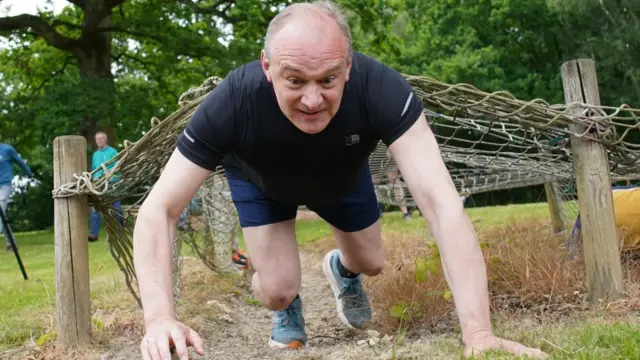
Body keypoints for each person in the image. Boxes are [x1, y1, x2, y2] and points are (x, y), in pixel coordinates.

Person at [132, 1, 547, 359]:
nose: (312, 100)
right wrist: (160, 318)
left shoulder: (381, 89)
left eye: (328, 80)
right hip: (263, 181)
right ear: (267, 66)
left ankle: (342, 271)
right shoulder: (233, 100)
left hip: (341, 176)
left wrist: (478, 334)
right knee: (278, 287)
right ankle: (286, 305)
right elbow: (159, 208)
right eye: (294, 80)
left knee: (372, 263)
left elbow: (442, 204)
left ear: (348, 66)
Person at [89, 130, 123, 242]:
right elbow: (94, 169)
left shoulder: (113, 152)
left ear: (105, 139)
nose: (99, 141)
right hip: (98, 184)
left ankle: (119, 232)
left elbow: (117, 168)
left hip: (112, 182)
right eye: (97, 139)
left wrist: (110, 177)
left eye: (101, 139)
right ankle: (94, 234)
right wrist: (94, 180)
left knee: (116, 208)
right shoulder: (95, 154)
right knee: (95, 210)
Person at [0, 143, 33, 251]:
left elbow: (20, 161)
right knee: (2, 216)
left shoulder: (7, 149)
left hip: (5, 185)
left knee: (0, 211)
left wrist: (29, 174)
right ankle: (11, 244)